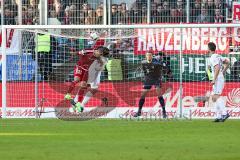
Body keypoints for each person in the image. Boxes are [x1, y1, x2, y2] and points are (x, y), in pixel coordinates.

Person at [64, 39, 109, 112]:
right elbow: (79, 53)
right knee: (80, 82)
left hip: (90, 71)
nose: (97, 53)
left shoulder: (101, 58)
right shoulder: (91, 50)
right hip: (82, 67)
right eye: (97, 51)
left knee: (87, 86)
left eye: (100, 53)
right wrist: (74, 53)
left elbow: (100, 67)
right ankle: (74, 100)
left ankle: (78, 103)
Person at [134, 52, 170, 118]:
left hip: (156, 79)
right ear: (146, 56)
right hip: (148, 79)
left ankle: (164, 112)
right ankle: (139, 112)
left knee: (159, 94)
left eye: (150, 55)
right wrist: (146, 77)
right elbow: (144, 71)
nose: (149, 56)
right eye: (148, 55)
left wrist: (164, 69)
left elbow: (165, 69)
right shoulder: (143, 63)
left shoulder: (157, 63)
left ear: (152, 56)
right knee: (142, 95)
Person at [207, 42, 230, 122]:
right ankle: (219, 116)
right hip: (219, 77)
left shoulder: (213, 57)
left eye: (207, 48)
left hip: (217, 79)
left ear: (209, 49)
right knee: (214, 97)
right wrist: (223, 71)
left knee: (216, 96)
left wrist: (214, 79)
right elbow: (228, 62)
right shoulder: (218, 56)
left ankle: (225, 113)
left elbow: (217, 68)